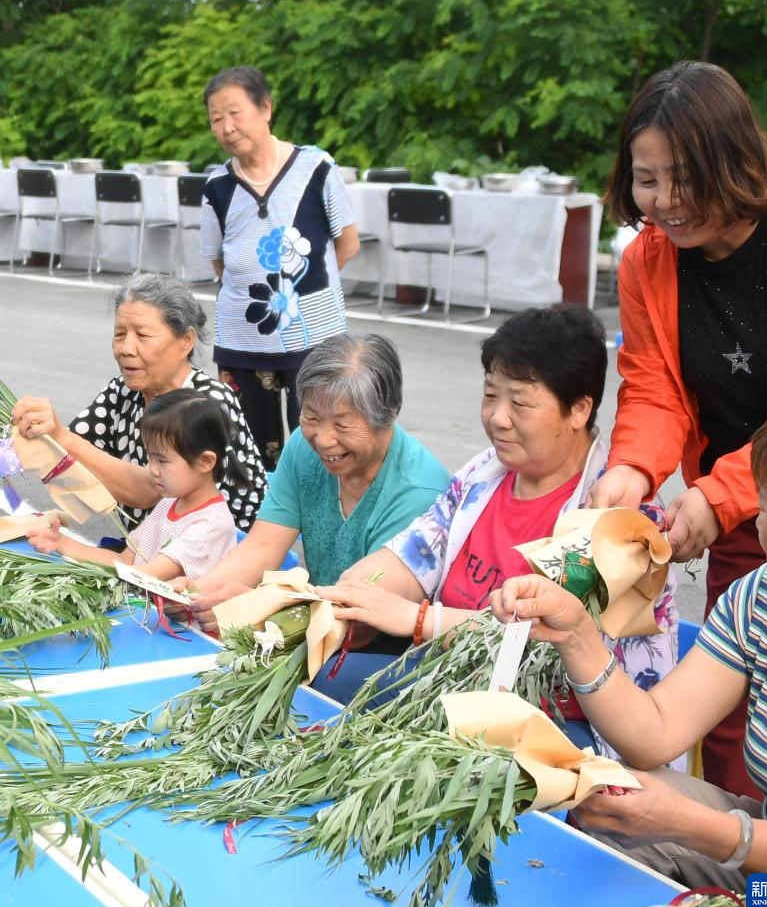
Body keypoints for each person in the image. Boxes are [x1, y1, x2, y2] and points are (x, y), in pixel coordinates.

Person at [588, 60, 767, 797]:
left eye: (685, 178)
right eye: (646, 179)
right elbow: (653, 385)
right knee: (730, 709)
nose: (664, 203)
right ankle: (740, 862)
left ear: (736, 159)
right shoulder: (647, 260)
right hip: (745, 516)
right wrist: (629, 471)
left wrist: (718, 496)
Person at [493, 399, 767, 907]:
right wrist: (577, 633)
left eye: (766, 508)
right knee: (620, 807)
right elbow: (657, 731)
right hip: (765, 837)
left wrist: (696, 826)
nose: (757, 522)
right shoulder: (766, 598)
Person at [315, 306, 680, 757]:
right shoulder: (484, 473)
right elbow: (415, 553)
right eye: (491, 396)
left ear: (579, 409)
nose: (498, 418)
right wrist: (354, 592)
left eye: (520, 403)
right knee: (317, 684)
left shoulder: (616, 512)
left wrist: (417, 619)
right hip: (452, 683)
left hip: (556, 718)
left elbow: (545, 642)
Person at [184, 333, 450, 656]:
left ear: (389, 414)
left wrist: (253, 607)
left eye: (342, 424)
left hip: (382, 655)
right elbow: (262, 546)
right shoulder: (303, 447)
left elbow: (361, 623)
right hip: (307, 630)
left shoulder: (419, 491)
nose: (322, 440)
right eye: (311, 417)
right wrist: (197, 594)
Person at [11, 274, 268, 534]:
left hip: (215, 550)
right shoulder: (122, 392)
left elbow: (148, 490)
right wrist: (29, 433)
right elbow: (69, 456)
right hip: (149, 548)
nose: (126, 348)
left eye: (142, 335)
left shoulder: (207, 402)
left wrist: (61, 436)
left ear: (186, 341)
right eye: (120, 334)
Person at [201, 65, 360, 468]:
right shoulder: (216, 187)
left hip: (316, 338)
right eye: (216, 119)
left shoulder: (316, 168)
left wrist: (302, 290)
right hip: (243, 344)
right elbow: (219, 261)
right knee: (250, 455)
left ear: (266, 108)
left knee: (323, 447)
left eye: (235, 113)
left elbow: (348, 243)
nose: (226, 127)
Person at [26, 389, 242, 580]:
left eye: (163, 460)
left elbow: (143, 577)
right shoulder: (170, 503)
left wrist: (68, 546)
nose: (152, 469)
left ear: (205, 462)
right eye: (150, 457)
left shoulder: (210, 525)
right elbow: (125, 561)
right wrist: (62, 543)